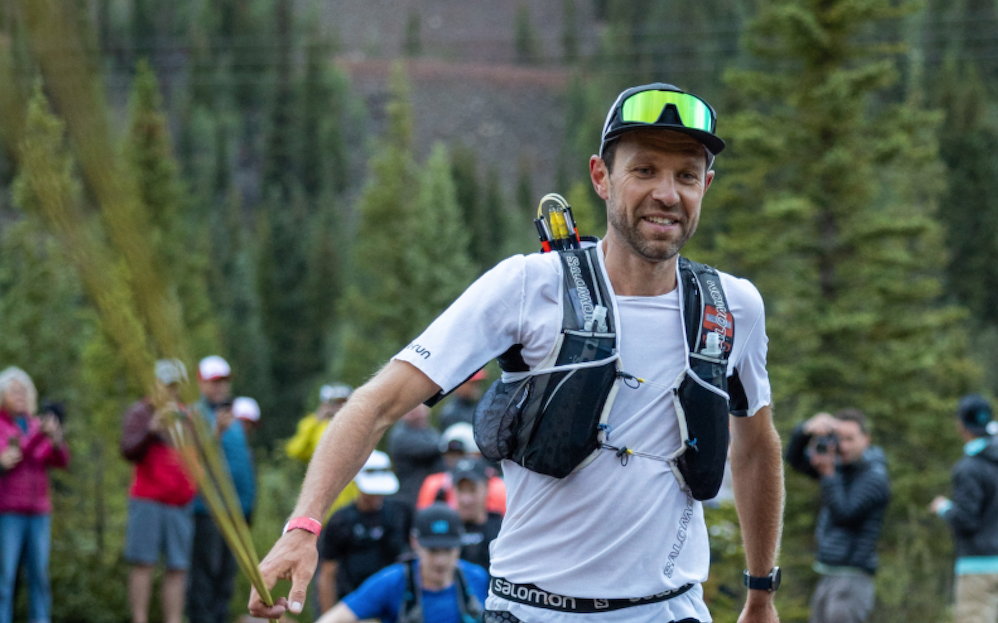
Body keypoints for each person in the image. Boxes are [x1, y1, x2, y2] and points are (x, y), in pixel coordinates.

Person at [251, 83, 782, 623]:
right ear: (602, 176)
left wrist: (761, 592)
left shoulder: (730, 307)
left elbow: (756, 447)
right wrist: (304, 528)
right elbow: (375, 405)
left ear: (706, 185)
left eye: (686, 176)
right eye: (644, 170)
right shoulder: (529, 287)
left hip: (671, 611)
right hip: (531, 610)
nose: (667, 194)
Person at [931, 394, 998, 623]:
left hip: (980, 568)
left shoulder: (969, 467)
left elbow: (966, 519)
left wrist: (944, 508)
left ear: (961, 425)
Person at [785, 409, 890, 623]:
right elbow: (793, 459)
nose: (843, 446)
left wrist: (828, 474)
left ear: (866, 439)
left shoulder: (874, 477)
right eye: (839, 438)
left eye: (850, 439)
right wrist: (805, 430)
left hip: (853, 576)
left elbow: (846, 513)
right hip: (829, 570)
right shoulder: (840, 467)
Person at [315, 504, 488, 623]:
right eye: (433, 551)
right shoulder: (393, 581)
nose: (440, 561)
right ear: (415, 542)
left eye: (448, 551)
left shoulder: (477, 578)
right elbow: (332, 619)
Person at [121, 360, 198, 623]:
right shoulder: (141, 412)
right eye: (167, 384)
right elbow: (128, 450)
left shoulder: (187, 415)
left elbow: (201, 455)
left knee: (178, 567)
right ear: (155, 383)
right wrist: (151, 430)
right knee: (143, 563)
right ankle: (139, 619)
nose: (171, 390)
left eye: (176, 385)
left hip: (180, 502)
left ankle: (173, 620)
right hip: (148, 499)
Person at [0, 367, 69, 623]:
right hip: (8, 512)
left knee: (39, 578)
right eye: (14, 390)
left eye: (24, 390)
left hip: (38, 511)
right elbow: (14, 459)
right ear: (1, 395)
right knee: (4, 579)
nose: (20, 395)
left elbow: (60, 460)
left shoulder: (36, 423)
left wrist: (57, 440)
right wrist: (39, 436)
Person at [188, 355, 256, 623]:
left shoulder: (234, 418)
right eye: (214, 382)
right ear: (201, 383)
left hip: (236, 511)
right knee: (204, 574)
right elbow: (189, 458)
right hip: (206, 509)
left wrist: (248, 508)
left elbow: (242, 467)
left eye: (224, 382)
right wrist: (214, 431)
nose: (220, 387)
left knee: (225, 576)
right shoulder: (194, 414)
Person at [318, 451, 415, 610]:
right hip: (353, 605)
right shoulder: (341, 521)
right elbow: (328, 574)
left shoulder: (400, 513)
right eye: (372, 491)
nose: (377, 496)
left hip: (394, 606)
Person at [287, 384, 359, 517]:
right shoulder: (313, 424)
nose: (339, 406)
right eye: (335, 402)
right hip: (322, 492)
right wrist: (316, 419)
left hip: (350, 493)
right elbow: (295, 451)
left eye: (343, 402)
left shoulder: (355, 424)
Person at [417, 423, 507, 516]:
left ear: (476, 454)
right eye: (450, 455)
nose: (455, 461)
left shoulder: (497, 486)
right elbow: (425, 521)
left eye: (460, 454)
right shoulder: (435, 485)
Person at [449, 458, 502, 570]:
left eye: (472, 490)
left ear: (487, 487)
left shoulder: (501, 529)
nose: (466, 499)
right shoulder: (447, 529)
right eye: (461, 490)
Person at [386, 404, 444, 506]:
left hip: (430, 491)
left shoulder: (427, 431)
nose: (421, 416)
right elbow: (432, 448)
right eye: (417, 412)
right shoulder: (400, 436)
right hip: (410, 494)